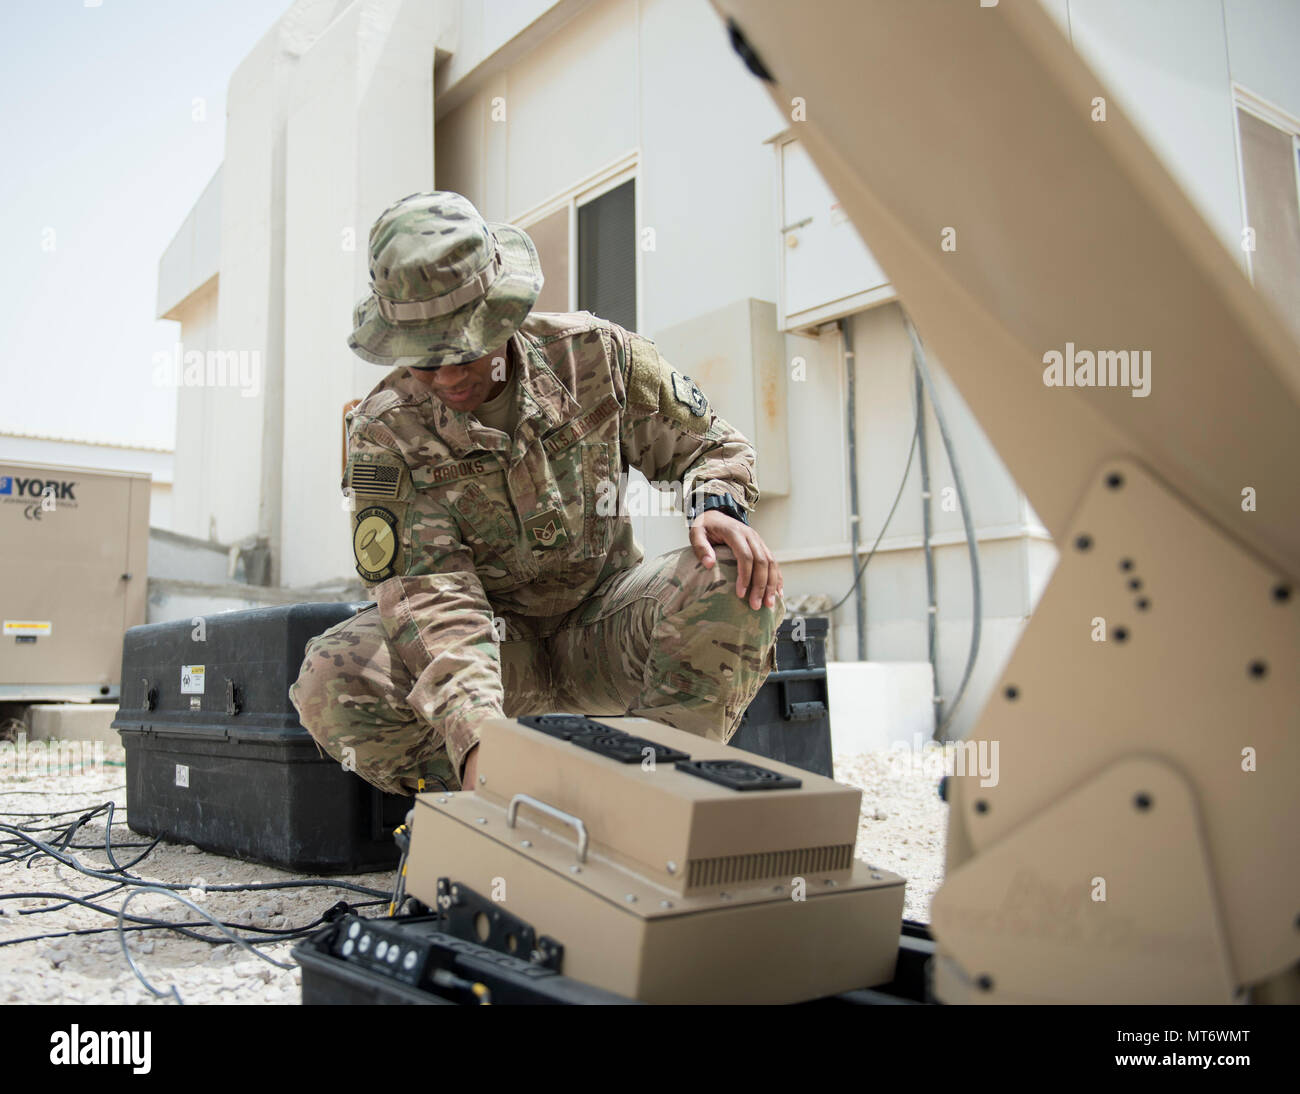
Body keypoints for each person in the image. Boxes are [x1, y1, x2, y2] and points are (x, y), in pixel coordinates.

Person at [289, 191, 785, 796]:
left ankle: (653, 799)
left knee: (733, 572)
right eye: (425, 360)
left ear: (502, 314)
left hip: (604, 628)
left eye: (465, 350)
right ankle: (493, 806)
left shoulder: (594, 357)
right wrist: (475, 738)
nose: (448, 377)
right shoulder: (386, 432)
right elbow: (432, 596)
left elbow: (710, 445)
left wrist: (716, 506)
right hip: (496, 653)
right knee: (332, 679)